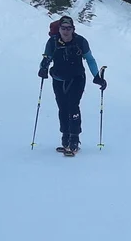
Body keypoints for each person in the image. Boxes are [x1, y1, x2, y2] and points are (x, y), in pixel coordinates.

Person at [38, 15, 105, 154]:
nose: (66, 31)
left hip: (77, 78)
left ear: (73, 29)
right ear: (59, 29)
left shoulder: (80, 41)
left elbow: (90, 59)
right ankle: (65, 136)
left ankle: (74, 138)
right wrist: (43, 68)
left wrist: (97, 77)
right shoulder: (53, 42)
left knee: (73, 106)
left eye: (69, 28)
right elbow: (46, 58)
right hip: (58, 79)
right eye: (63, 28)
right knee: (62, 108)